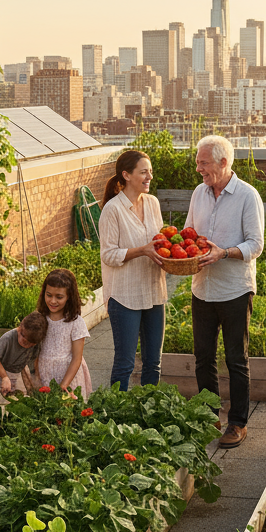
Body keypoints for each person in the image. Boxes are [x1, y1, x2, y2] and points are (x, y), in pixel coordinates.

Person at [187, 134, 265, 449]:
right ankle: (209, 416)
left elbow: (256, 245)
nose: (198, 169)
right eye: (197, 163)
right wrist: (183, 248)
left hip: (234, 290)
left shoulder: (248, 196)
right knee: (203, 358)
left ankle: (237, 423)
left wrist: (224, 252)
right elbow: (190, 232)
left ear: (223, 162)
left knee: (236, 359)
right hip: (202, 288)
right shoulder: (199, 193)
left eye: (203, 163)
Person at [99, 150, 167, 390]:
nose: (149, 176)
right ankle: (117, 419)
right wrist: (142, 250)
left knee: (153, 363)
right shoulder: (112, 210)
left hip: (153, 291)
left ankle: (148, 414)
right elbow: (108, 254)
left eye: (150, 171)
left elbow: (158, 243)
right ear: (126, 175)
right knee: (125, 364)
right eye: (143, 172)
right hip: (124, 296)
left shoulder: (152, 203)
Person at [36, 268, 93, 396]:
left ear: (69, 297)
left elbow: (77, 358)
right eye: (49, 295)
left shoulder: (76, 322)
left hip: (69, 378)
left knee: (69, 412)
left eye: (59, 297)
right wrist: (37, 377)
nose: (53, 301)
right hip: (46, 373)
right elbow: (36, 350)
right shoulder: (40, 318)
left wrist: (64, 385)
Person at [0, 311, 48, 397]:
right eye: (21, 335)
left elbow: (35, 360)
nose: (22, 340)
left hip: (18, 372)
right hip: (1, 372)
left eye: (28, 343)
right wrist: (4, 377)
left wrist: (37, 378)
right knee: (2, 395)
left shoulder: (37, 343)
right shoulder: (8, 338)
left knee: (20, 397)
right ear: (20, 326)